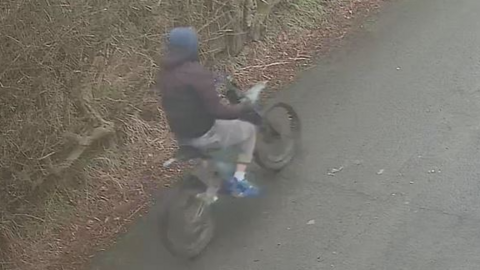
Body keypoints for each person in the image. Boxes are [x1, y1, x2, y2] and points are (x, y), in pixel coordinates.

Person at [155, 27, 259, 197]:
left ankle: (213, 178)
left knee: (211, 146)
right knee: (249, 130)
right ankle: (240, 180)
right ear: (191, 46)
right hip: (204, 133)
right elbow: (218, 111)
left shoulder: (164, 74)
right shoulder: (195, 72)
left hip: (181, 135)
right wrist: (241, 109)